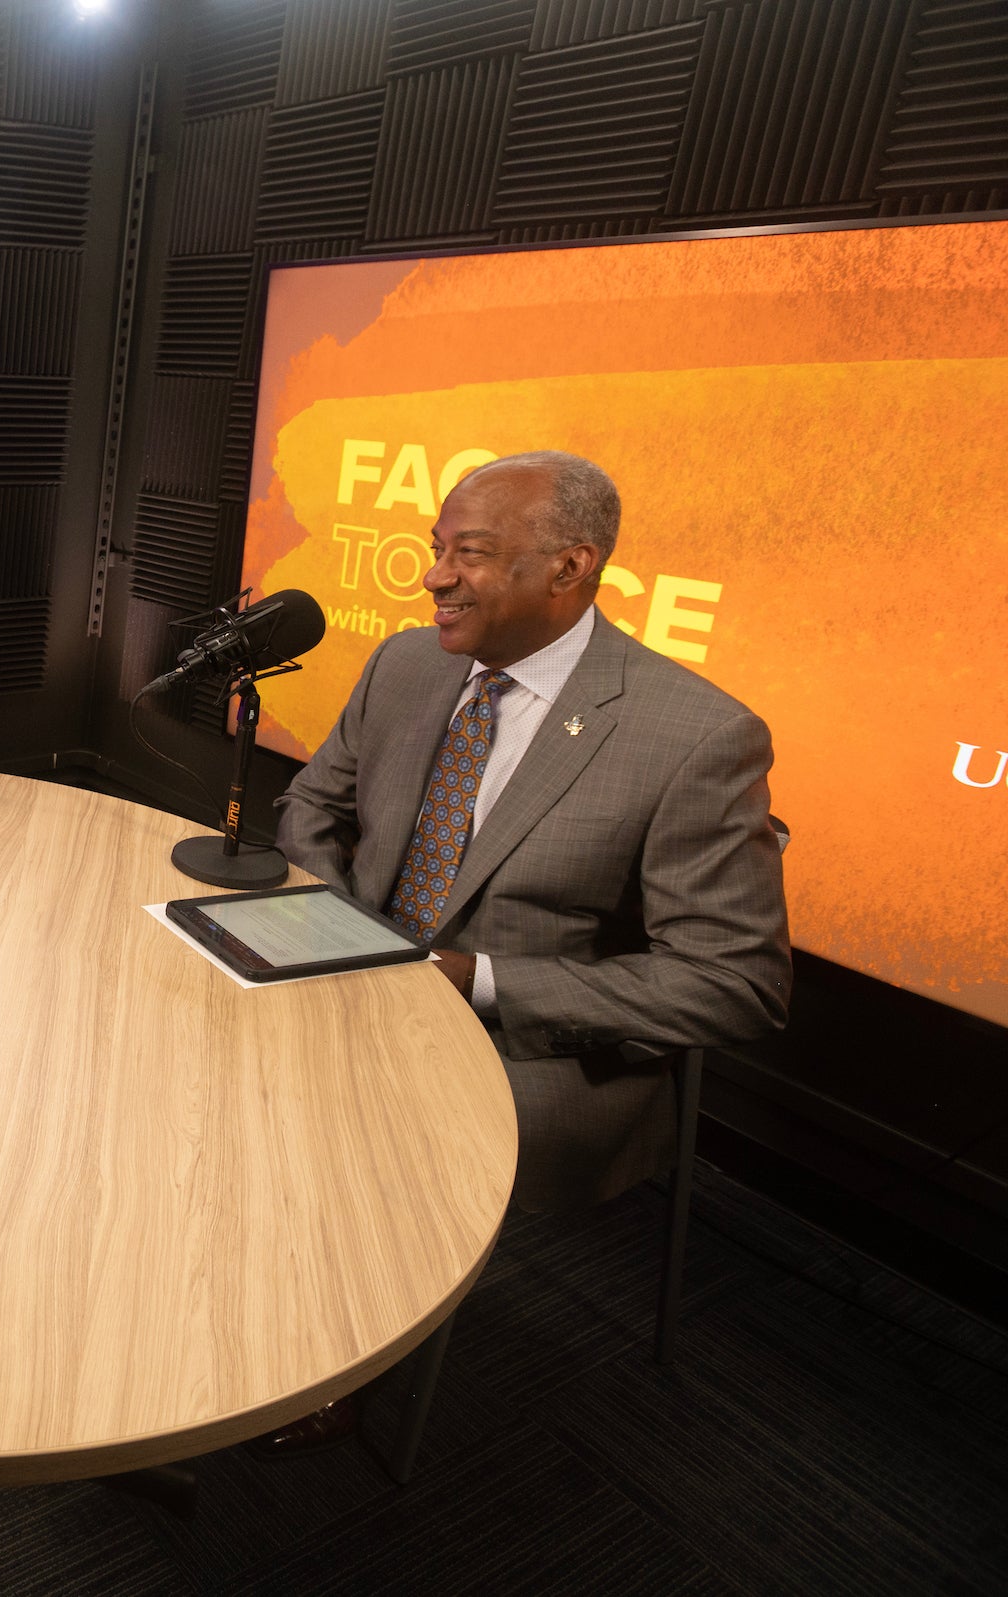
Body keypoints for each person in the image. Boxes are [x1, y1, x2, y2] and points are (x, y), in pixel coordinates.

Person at [262, 450, 790, 1453]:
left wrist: (479, 981)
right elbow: (311, 810)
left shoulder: (697, 737)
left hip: (534, 1045)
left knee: (343, 1121)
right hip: (360, 976)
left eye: (471, 554)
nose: (434, 578)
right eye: (434, 549)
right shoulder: (408, 664)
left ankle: (317, 1350)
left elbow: (738, 983)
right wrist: (340, 936)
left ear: (568, 568)